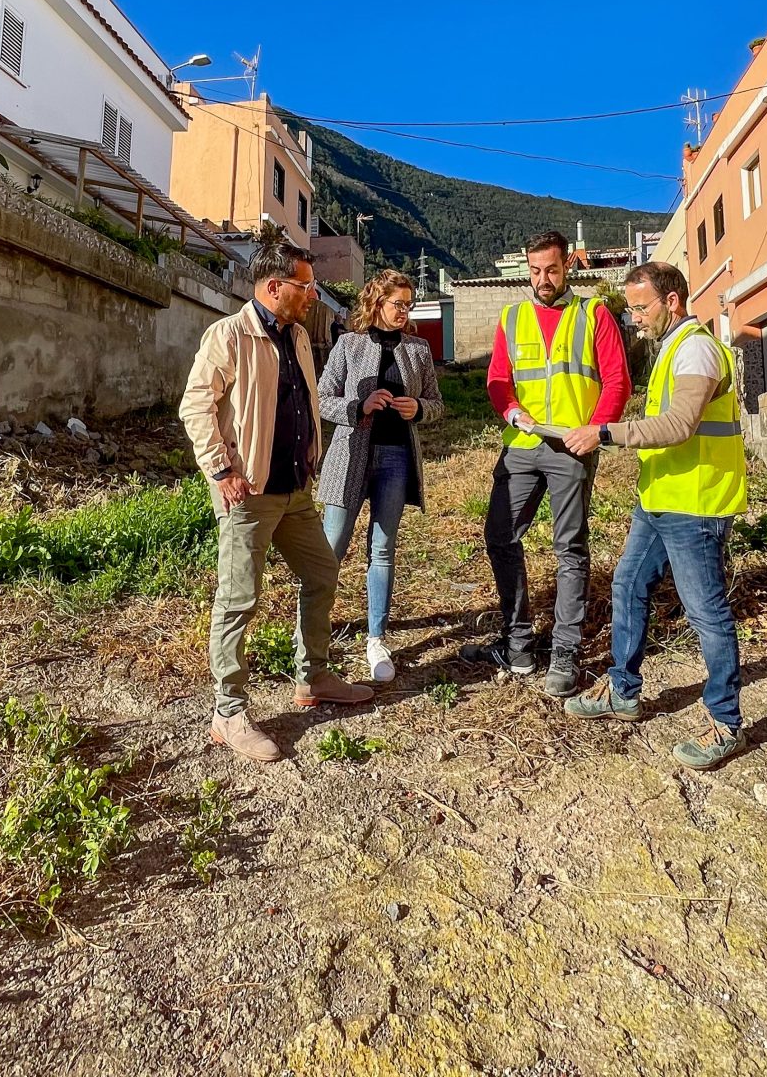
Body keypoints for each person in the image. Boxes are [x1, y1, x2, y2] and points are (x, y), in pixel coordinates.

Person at [179, 236, 373, 764]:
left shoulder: (300, 339)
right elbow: (196, 406)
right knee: (239, 598)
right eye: (305, 286)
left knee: (322, 574)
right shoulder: (229, 335)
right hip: (250, 492)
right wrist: (221, 469)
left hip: (294, 491)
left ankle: (312, 677)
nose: (313, 294)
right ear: (274, 286)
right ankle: (228, 711)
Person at [561, 261, 748, 770]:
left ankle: (726, 722)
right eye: (630, 309)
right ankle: (623, 690)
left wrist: (606, 432)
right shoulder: (670, 349)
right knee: (627, 585)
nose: (634, 318)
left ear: (673, 300)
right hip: (659, 500)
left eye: (641, 307)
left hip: (695, 505)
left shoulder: (697, 349)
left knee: (706, 613)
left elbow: (681, 424)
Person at [461, 230, 632, 697]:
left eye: (551, 270)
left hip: (573, 447)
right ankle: (518, 643)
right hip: (521, 443)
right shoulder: (513, 317)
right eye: (534, 271)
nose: (543, 279)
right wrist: (511, 410)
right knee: (499, 535)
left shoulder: (593, 313)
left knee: (570, 549)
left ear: (567, 268)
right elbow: (499, 378)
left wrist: (596, 429)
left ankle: (565, 653)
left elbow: (617, 380)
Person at [318, 270, 445, 682]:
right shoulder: (347, 344)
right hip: (349, 456)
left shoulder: (419, 349)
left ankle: (376, 638)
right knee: (330, 548)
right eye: (398, 304)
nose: (404, 311)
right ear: (377, 302)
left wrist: (419, 409)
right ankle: (316, 630)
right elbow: (322, 399)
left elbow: (436, 404)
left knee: (383, 549)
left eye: (408, 304)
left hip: (395, 459)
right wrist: (360, 404)